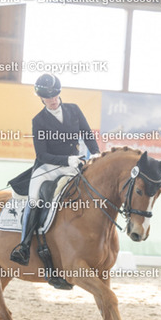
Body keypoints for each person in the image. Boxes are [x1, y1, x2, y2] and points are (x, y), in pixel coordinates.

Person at [9, 73, 100, 268]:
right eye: (46, 97)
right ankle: (24, 246)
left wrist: (96, 154)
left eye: (54, 95)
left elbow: (87, 134)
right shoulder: (39, 120)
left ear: (59, 93)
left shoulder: (74, 110)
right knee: (34, 198)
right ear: (41, 98)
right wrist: (66, 159)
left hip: (74, 165)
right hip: (48, 167)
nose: (51, 100)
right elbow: (41, 154)